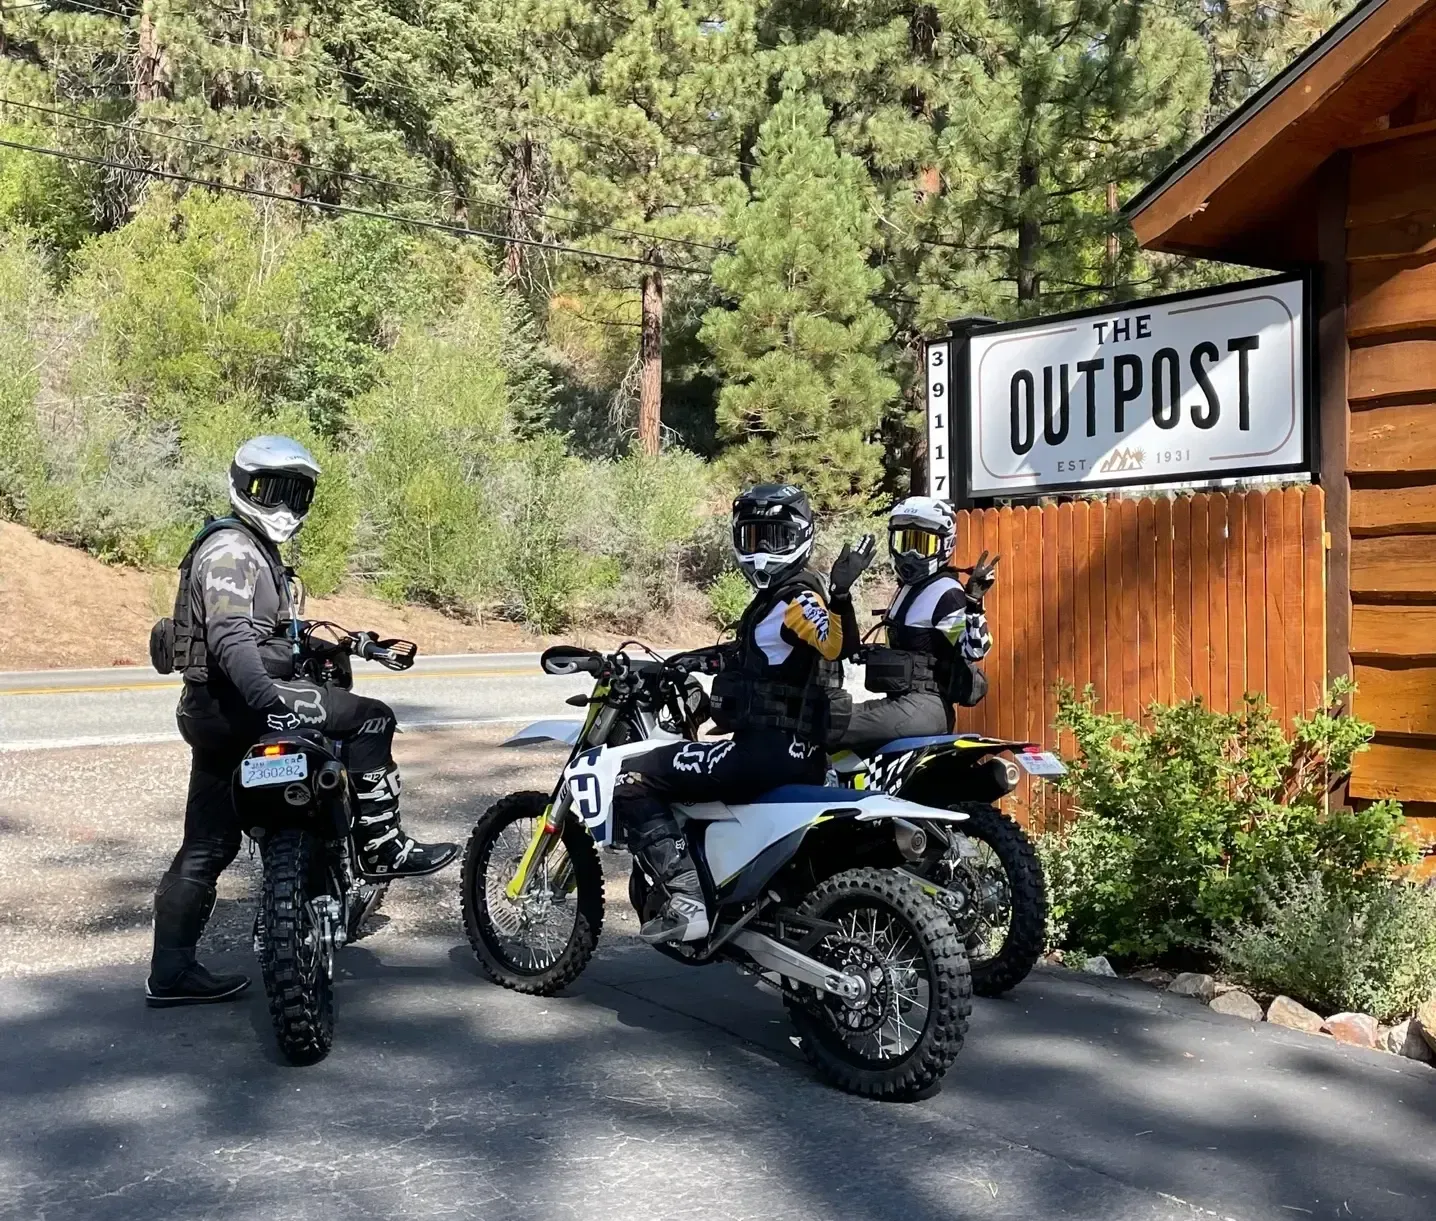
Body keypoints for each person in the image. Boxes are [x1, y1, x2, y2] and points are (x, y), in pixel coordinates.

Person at [145, 435, 457, 1007]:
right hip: (244, 705)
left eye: (298, 492)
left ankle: (170, 972)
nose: (286, 504)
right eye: (274, 489)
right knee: (370, 720)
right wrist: (269, 700)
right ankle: (382, 845)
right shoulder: (233, 552)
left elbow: (275, 632)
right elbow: (232, 637)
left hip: (212, 712)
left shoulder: (250, 549)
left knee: (208, 844)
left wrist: (357, 644)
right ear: (242, 484)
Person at [613, 483, 875, 945]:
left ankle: (686, 898)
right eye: (753, 538)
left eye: (774, 538)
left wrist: (841, 596)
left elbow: (837, 644)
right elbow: (760, 655)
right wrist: (694, 661)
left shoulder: (799, 599)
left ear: (801, 536)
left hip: (763, 755)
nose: (761, 552)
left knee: (633, 778)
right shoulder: (782, 599)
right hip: (808, 756)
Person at [829, 496, 996, 754]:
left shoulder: (946, 592)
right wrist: (841, 592)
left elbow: (975, 650)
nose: (910, 554)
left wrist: (973, 603)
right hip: (901, 703)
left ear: (944, 544)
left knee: (827, 724)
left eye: (921, 544)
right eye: (903, 542)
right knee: (825, 712)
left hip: (924, 708)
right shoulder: (908, 589)